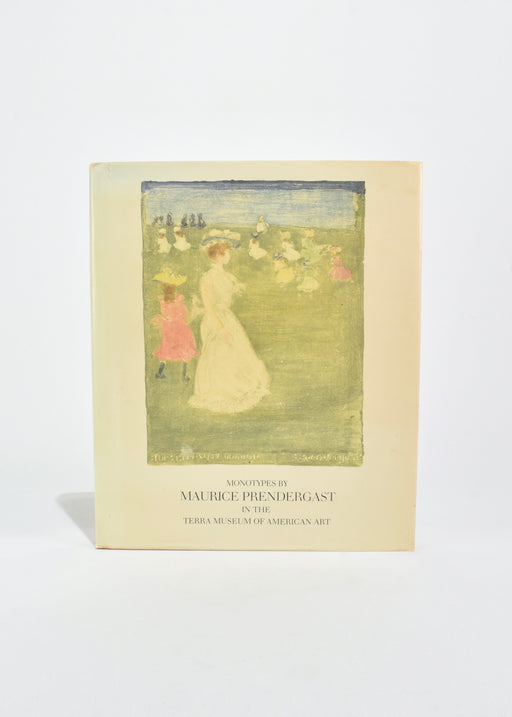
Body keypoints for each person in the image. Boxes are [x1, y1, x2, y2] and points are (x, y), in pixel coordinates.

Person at [189, 239, 270, 413]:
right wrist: (220, 328)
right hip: (215, 320)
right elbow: (209, 306)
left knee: (236, 350)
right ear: (219, 255)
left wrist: (237, 288)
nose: (229, 255)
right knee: (218, 352)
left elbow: (228, 294)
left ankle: (238, 385)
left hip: (227, 317)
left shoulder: (226, 276)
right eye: (226, 252)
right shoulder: (207, 277)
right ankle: (220, 391)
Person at [152, 271, 199, 382]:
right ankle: (184, 375)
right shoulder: (179, 300)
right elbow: (185, 315)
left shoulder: (162, 301)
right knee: (185, 349)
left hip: (168, 328)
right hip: (180, 328)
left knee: (166, 349)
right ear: (174, 288)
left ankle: (159, 373)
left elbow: (165, 315)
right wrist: (194, 306)